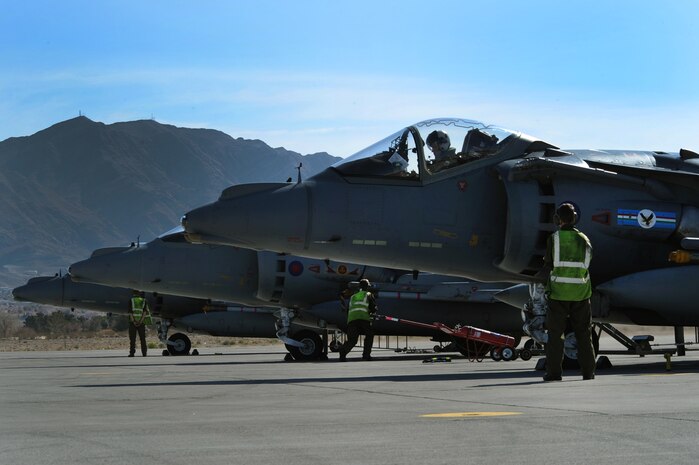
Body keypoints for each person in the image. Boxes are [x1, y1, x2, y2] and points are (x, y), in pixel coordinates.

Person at [542, 203, 596, 381]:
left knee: (556, 335)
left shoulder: (554, 239)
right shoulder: (584, 239)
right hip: (581, 293)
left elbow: (548, 264)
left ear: (558, 219)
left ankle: (554, 373)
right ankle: (588, 373)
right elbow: (587, 264)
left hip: (558, 293)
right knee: (584, 333)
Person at [338, 279, 377, 361]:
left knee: (352, 339)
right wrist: (373, 312)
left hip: (352, 319)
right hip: (363, 318)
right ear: (367, 286)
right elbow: (373, 308)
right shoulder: (368, 294)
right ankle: (366, 355)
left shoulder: (353, 296)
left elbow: (349, 309)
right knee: (369, 335)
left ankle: (343, 352)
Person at [128, 290, 150, 357]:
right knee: (143, 339)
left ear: (133, 293)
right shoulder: (144, 300)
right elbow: (145, 312)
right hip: (141, 323)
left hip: (133, 323)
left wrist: (134, 321)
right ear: (139, 293)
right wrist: (140, 321)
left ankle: (132, 353)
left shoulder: (131, 300)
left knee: (132, 339)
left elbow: (130, 312)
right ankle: (144, 353)